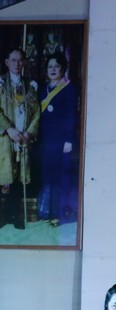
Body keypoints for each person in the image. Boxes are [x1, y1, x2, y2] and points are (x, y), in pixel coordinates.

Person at [36, 52, 79, 227]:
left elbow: (71, 116)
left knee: (59, 178)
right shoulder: (42, 89)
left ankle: (57, 214)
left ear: (63, 68)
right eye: (50, 67)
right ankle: (46, 212)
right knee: (47, 176)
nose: (53, 70)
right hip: (45, 140)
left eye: (56, 66)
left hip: (61, 141)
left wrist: (69, 140)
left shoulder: (69, 88)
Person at [0, 48, 39, 230]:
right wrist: (9, 129)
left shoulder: (30, 86)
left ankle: (14, 216)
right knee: (3, 174)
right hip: (5, 138)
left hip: (22, 138)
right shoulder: (1, 83)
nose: (17, 63)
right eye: (13, 60)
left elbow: (36, 112)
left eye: (20, 60)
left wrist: (29, 133)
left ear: (24, 62)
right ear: (7, 62)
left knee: (17, 178)